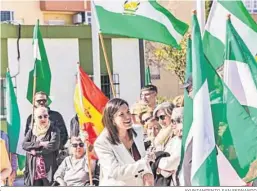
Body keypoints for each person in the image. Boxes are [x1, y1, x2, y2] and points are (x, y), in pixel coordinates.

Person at [94, 98, 155, 186]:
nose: (128, 117)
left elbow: (143, 157)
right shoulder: (102, 142)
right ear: (112, 120)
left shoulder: (138, 130)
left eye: (128, 111)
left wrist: (148, 174)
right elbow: (115, 173)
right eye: (121, 114)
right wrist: (144, 163)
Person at [22, 107, 60, 186]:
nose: (43, 118)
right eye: (40, 117)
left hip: (48, 168)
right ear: (35, 118)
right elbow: (24, 144)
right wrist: (40, 143)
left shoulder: (54, 130)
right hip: (34, 169)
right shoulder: (32, 130)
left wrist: (35, 151)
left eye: (45, 116)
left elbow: (53, 145)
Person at [153, 102, 181, 186]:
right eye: (157, 118)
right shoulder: (160, 136)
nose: (160, 121)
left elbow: (171, 163)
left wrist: (156, 165)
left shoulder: (178, 135)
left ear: (171, 115)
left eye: (162, 117)